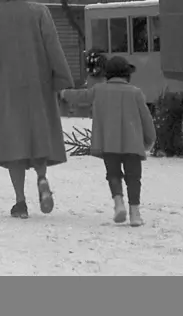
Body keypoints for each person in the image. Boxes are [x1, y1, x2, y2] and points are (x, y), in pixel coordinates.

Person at [0, 0, 74, 219]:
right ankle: (41, 178)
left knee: (13, 144)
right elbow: (53, 47)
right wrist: (61, 79)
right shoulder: (40, 12)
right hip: (39, 86)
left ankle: (20, 202)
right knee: (37, 136)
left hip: (7, 88)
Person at [61, 55, 156, 227]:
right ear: (127, 75)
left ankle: (118, 203)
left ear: (107, 75)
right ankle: (135, 213)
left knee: (113, 175)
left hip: (108, 143)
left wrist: (63, 93)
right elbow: (146, 119)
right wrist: (149, 140)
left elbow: (81, 96)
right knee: (134, 177)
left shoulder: (98, 90)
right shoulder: (136, 93)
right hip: (132, 144)